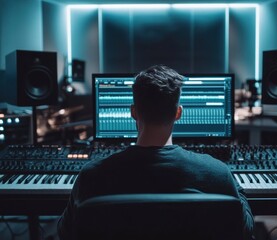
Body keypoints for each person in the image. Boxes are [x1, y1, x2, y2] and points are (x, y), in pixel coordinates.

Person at [58, 64, 254, 239]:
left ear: (133, 112)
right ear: (178, 113)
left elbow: (66, 232)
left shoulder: (92, 175)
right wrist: (237, 188)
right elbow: (244, 230)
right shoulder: (217, 173)